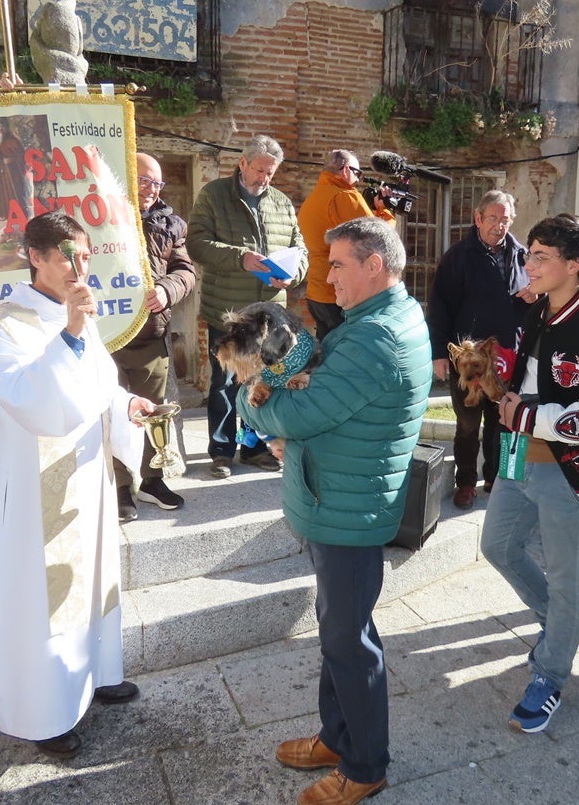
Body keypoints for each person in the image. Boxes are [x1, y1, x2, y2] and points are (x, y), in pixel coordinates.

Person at [237, 217, 430, 805]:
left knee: (350, 641)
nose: (327, 277)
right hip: (341, 496)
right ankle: (337, 735)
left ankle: (366, 764)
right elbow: (324, 405)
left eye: (339, 264)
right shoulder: (381, 319)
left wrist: (255, 403)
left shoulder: (377, 337)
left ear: (375, 265)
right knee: (337, 630)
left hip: (348, 508)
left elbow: (297, 415)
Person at [0, 210, 151, 758]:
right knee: (45, 593)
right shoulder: (5, 324)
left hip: (87, 474)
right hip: (35, 490)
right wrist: (72, 331)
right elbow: (31, 399)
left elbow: (98, 381)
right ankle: (43, 712)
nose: (80, 266)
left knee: (93, 576)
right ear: (36, 258)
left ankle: (95, 673)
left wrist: (128, 404)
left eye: (85, 254)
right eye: (67, 257)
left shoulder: (79, 314)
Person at [482, 213, 579, 734]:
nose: (529, 264)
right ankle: (565, 628)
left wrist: (528, 415)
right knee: (498, 547)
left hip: (572, 471)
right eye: (529, 254)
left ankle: (551, 672)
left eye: (542, 257)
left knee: (570, 579)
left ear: (575, 265)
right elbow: (533, 376)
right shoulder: (538, 311)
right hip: (516, 455)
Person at [187, 134, 308, 479]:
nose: (264, 178)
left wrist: (293, 274)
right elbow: (196, 244)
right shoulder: (213, 195)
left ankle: (255, 448)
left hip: (269, 314)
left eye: (270, 173)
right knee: (224, 381)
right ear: (242, 163)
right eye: (259, 170)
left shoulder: (282, 203)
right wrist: (241, 258)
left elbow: (301, 250)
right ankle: (222, 450)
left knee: (264, 379)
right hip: (228, 312)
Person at [427, 189, 533, 509]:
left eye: (505, 220)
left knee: (504, 421)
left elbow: (539, 299)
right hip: (470, 357)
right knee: (469, 423)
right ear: (478, 218)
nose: (498, 226)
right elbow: (440, 307)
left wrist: (535, 296)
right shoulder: (458, 257)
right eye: (492, 218)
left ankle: (498, 480)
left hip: (508, 357)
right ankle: (466, 482)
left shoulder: (523, 256)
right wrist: (438, 354)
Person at [111, 152, 197, 520]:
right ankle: (118, 486)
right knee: (112, 412)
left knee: (153, 410)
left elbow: (186, 270)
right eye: (144, 180)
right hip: (108, 334)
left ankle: (152, 479)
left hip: (151, 330)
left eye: (157, 183)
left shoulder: (172, 223)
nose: (151, 189)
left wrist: (167, 290)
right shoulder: (101, 212)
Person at [298, 149, 395, 340]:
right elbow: (379, 237)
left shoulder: (313, 198)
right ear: (345, 171)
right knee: (349, 356)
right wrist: (385, 212)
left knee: (328, 355)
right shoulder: (344, 196)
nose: (358, 180)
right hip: (340, 293)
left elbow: (351, 232)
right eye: (357, 173)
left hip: (316, 293)